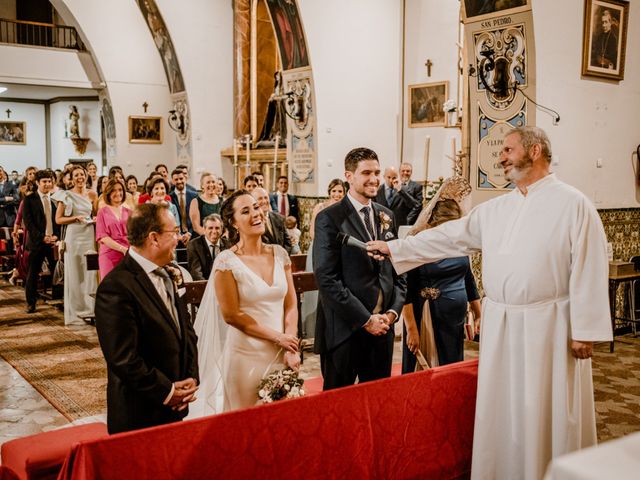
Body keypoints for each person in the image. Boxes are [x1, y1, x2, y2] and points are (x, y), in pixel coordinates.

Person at [367, 127, 612, 479]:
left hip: (552, 325)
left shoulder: (574, 204)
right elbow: (448, 237)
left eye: (508, 150)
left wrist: (585, 330)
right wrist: (397, 248)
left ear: (537, 150)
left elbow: (590, 264)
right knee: (506, 407)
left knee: (548, 408)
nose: (501, 157)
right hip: (503, 325)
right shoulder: (497, 209)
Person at [187, 190, 299, 417]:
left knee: (281, 424)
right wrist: (279, 337)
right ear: (233, 222)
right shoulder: (227, 261)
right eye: (246, 211)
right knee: (247, 426)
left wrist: (291, 345)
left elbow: (291, 304)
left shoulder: (279, 253)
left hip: (281, 352)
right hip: (245, 356)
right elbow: (232, 315)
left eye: (257, 207)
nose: (256, 214)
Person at [95, 202, 199, 433]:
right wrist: (167, 392)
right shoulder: (116, 287)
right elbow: (123, 358)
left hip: (175, 405)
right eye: (173, 233)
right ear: (154, 238)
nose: (178, 238)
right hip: (140, 412)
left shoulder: (168, 274)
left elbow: (187, 332)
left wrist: (191, 377)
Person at [313, 147, 406, 390]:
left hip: (382, 328)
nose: (374, 179)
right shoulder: (330, 218)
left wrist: (392, 313)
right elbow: (326, 278)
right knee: (338, 406)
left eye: (377, 172)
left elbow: (398, 270)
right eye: (366, 172)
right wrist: (366, 320)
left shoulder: (387, 215)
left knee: (376, 404)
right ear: (349, 176)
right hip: (345, 329)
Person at [401, 192, 481, 372]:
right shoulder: (419, 244)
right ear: (434, 224)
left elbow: (468, 279)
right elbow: (406, 289)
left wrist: (478, 313)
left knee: (450, 365)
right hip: (428, 316)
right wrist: (412, 328)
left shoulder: (459, 244)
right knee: (426, 368)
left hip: (453, 319)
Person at [301, 178, 346, 340]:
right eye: (334, 191)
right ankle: (314, 329)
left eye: (340, 191)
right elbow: (312, 233)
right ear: (329, 192)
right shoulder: (320, 207)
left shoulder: (345, 209)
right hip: (320, 248)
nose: (337, 194)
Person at [55, 165, 98, 325]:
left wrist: (94, 220)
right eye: (76, 175)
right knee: (75, 273)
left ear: (86, 176)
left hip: (89, 234)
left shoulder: (92, 194)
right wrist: (75, 218)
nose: (80, 177)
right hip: (73, 235)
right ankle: (75, 312)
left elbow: (95, 214)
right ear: (71, 178)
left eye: (82, 174)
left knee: (90, 272)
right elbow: (58, 219)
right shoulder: (65, 195)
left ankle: (90, 309)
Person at [22, 170, 60, 313]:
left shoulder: (55, 199)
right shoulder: (30, 199)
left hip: (52, 242)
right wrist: (42, 237)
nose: (47, 184)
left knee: (56, 271)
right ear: (38, 183)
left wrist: (56, 235)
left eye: (49, 181)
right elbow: (29, 223)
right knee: (33, 273)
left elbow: (57, 221)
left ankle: (57, 298)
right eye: (44, 181)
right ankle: (31, 302)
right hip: (37, 242)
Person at [96, 179, 130, 280]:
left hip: (128, 254)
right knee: (110, 287)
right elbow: (103, 237)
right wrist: (122, 249)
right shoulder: (102, 212)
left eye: (120, 190)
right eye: (114, 190)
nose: (118, 193)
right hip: (109, 254)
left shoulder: (129, 212)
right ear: (108, 193)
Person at [187, 213, 226, 281]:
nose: (214, 231)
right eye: (210, 228)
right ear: (204, 230)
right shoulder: (193, 245)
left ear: (221, 230)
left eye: (217, 228)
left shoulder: (228, 245)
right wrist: (210, 289)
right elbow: (196, 273)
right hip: (204, 286)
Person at [252, 187, 291, 253]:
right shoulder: (252, 221)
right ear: (253, 202)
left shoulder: (279, 218)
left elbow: (287, 243)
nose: (264, 201)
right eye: (260, 198)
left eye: (266, 197)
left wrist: (282, 258)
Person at [189, 172, 221, 236]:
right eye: (208, 182)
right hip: (201, 239)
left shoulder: (223, 201)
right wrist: (211, 238)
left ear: (217, 184)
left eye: (213, 182)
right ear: (202, 186)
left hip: (220, 239)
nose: (211, 185)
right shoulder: (196, 202)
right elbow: (196, 227)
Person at [170, 168, 196, 239]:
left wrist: (190, 233)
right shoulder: (169, 197)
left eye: (181, 178)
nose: (179, 181)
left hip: (193, 234)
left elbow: (196, 217)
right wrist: (179, 234)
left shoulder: (194, 195)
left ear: (185, 179)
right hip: (176, 236)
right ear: (172, 181)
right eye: (176, 179)